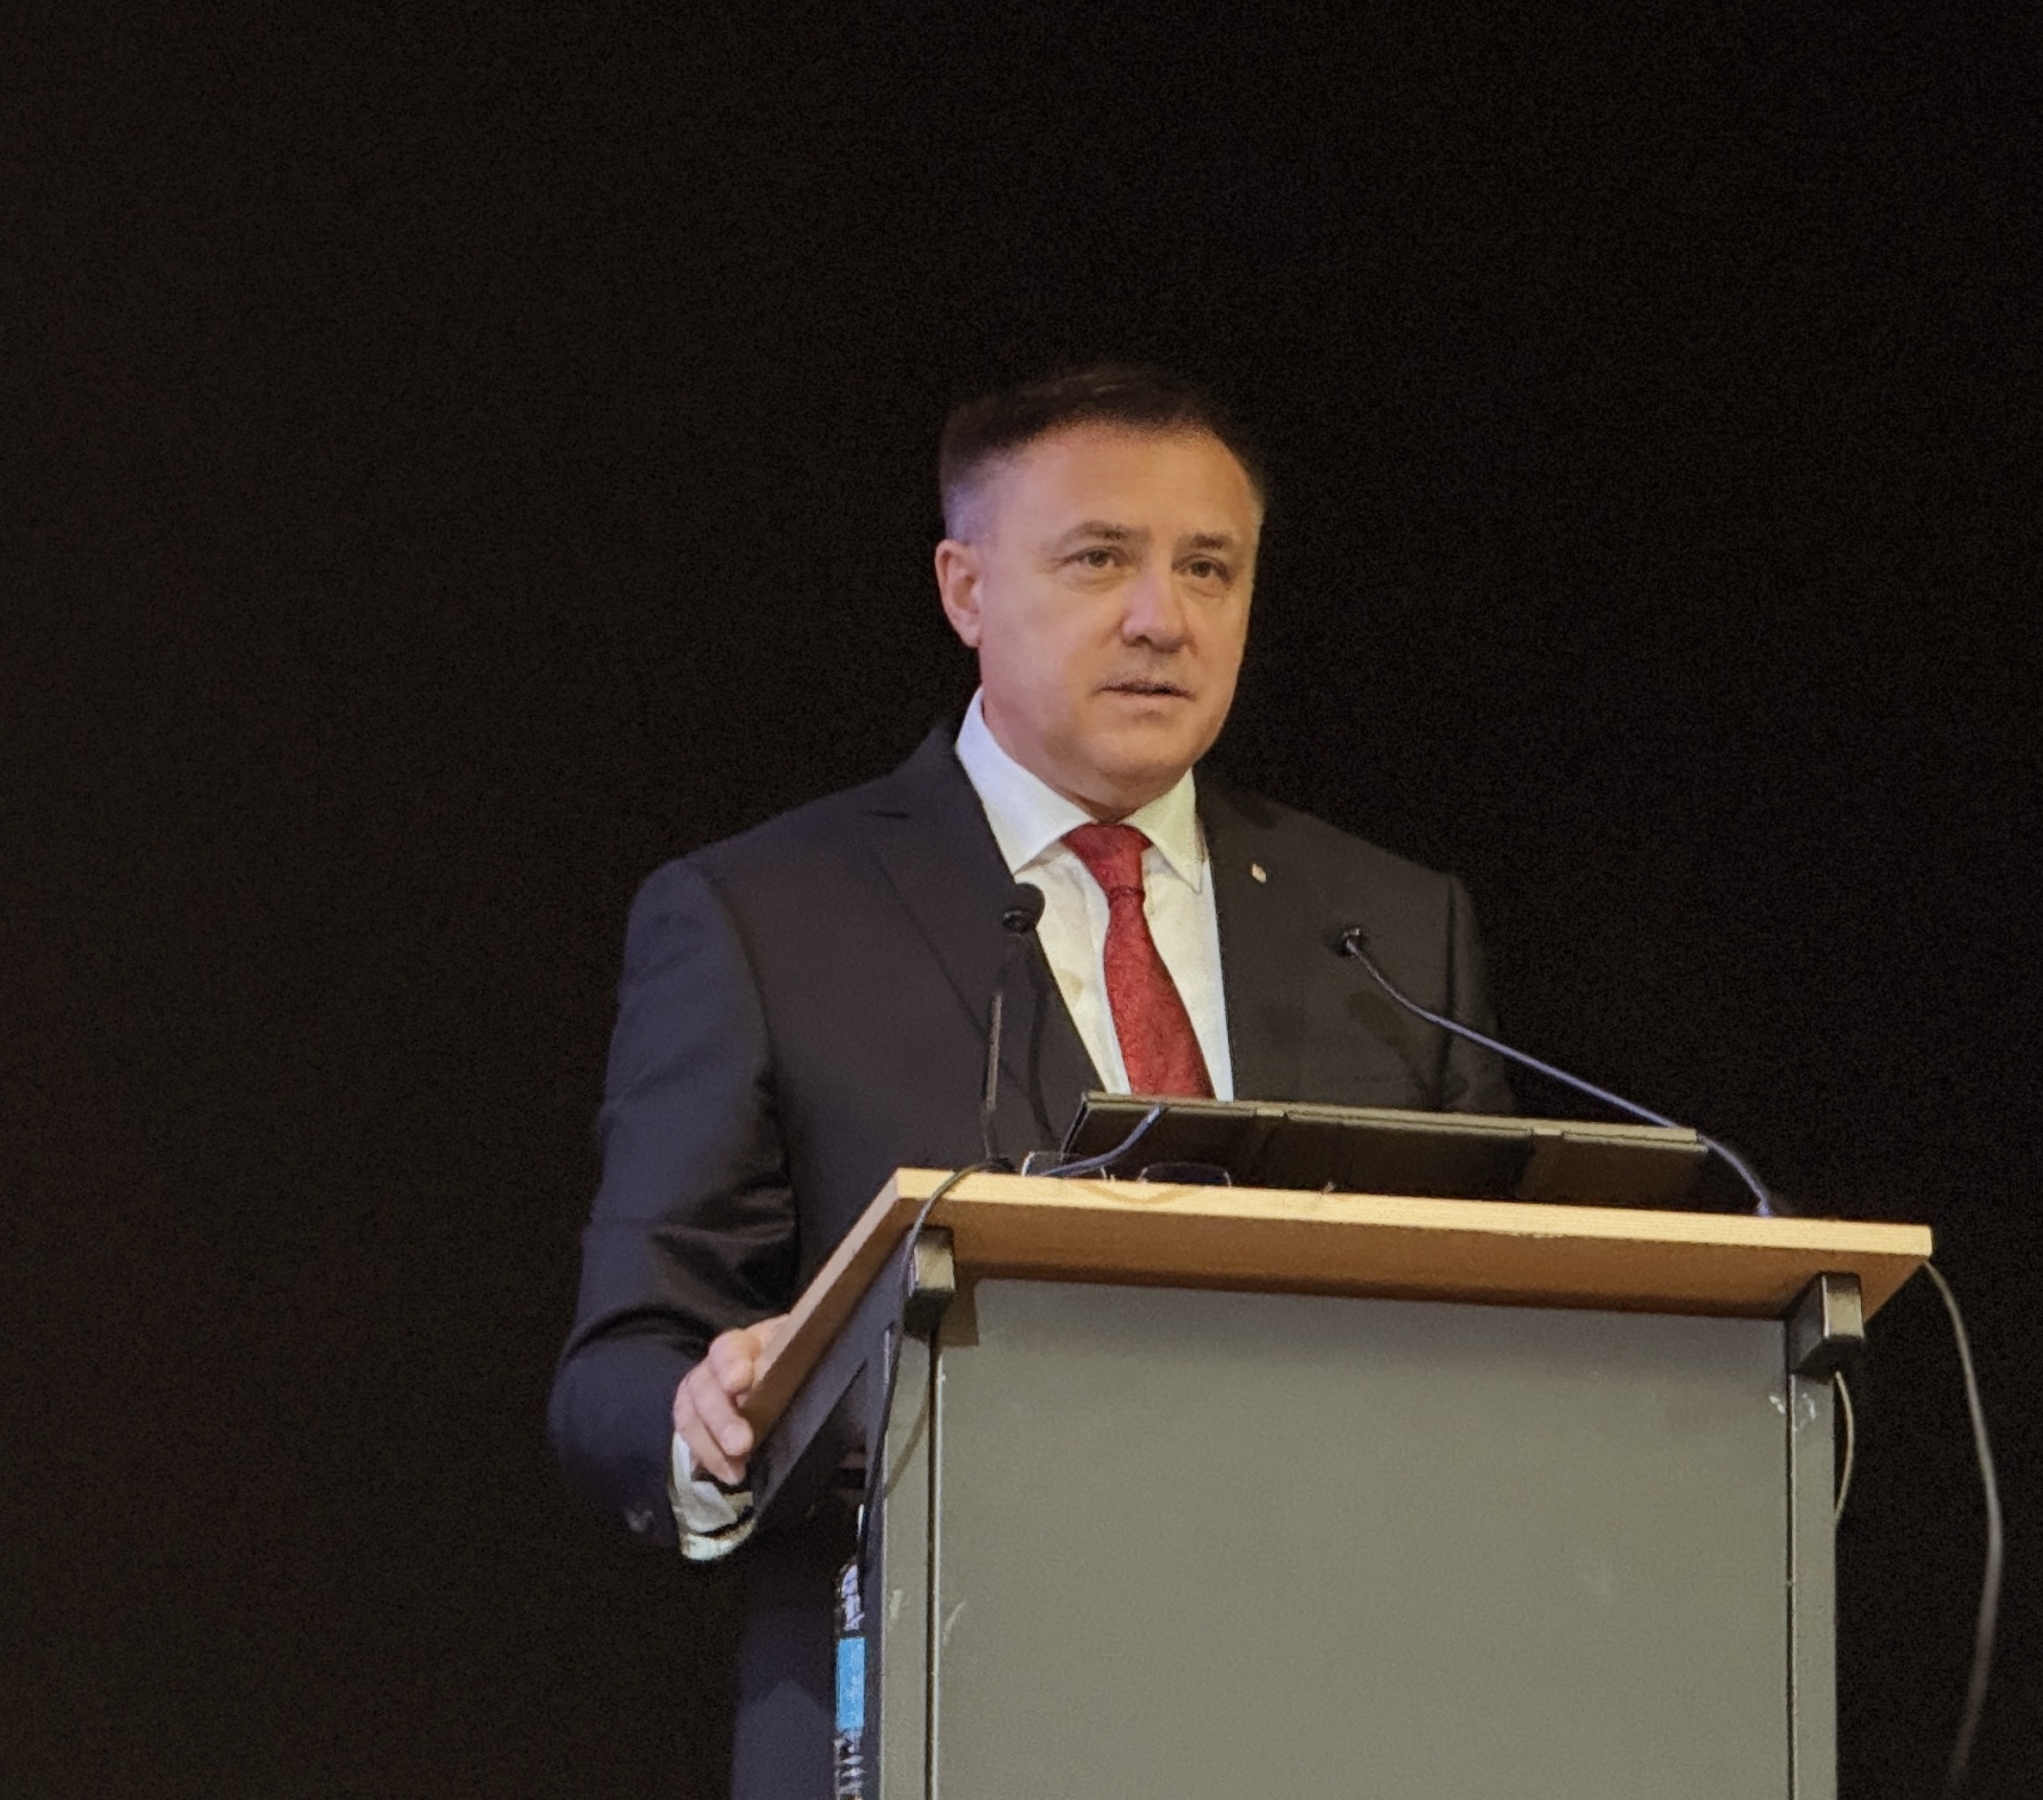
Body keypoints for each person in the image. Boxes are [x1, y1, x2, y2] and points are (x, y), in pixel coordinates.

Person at [549, 365, 1511, 1798]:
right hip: (940, 1710)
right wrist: (709, 1415)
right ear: (965, 589)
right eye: (1099, 559)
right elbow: (622, 1365)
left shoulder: (1387, 924)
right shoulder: (766, 917)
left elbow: (1498, 1318)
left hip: (1338, 1713)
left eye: (1209, 567)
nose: (1162, 618)